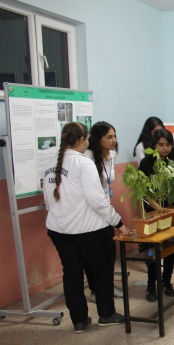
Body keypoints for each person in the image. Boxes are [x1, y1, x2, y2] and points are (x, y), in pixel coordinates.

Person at [42, 122, 128, 333]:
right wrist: (118, 222)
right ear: (81, 140)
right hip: (90, 231)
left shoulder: (49, 163)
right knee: (102, 271)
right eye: (87, 138)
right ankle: (106, 315)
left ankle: (79, 320)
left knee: (72, 274)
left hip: (59, 231)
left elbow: (48, 201)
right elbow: (97, 201)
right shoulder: (84, 163)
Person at [138, 128, 174, 302]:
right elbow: (143, 190)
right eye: (161, 145)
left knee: (170, 249)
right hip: (152, 212)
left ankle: (166, 283)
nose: (164, 148)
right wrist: (157, 207)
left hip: (170, 212)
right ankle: (151, 285)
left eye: (168, 144)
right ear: (154, 145)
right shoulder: (146, 163)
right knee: (152, 251)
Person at [84, 121, 124, 301]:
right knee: (94, 253)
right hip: (91, 209)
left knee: (109, 250)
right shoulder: (88, 157)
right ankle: (95, 290)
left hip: (105, 207)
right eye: (109, 137)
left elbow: (107, 181)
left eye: (114, 136)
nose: (114, 140)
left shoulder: (111, 154)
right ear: (98, 139)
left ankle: (106, 286)